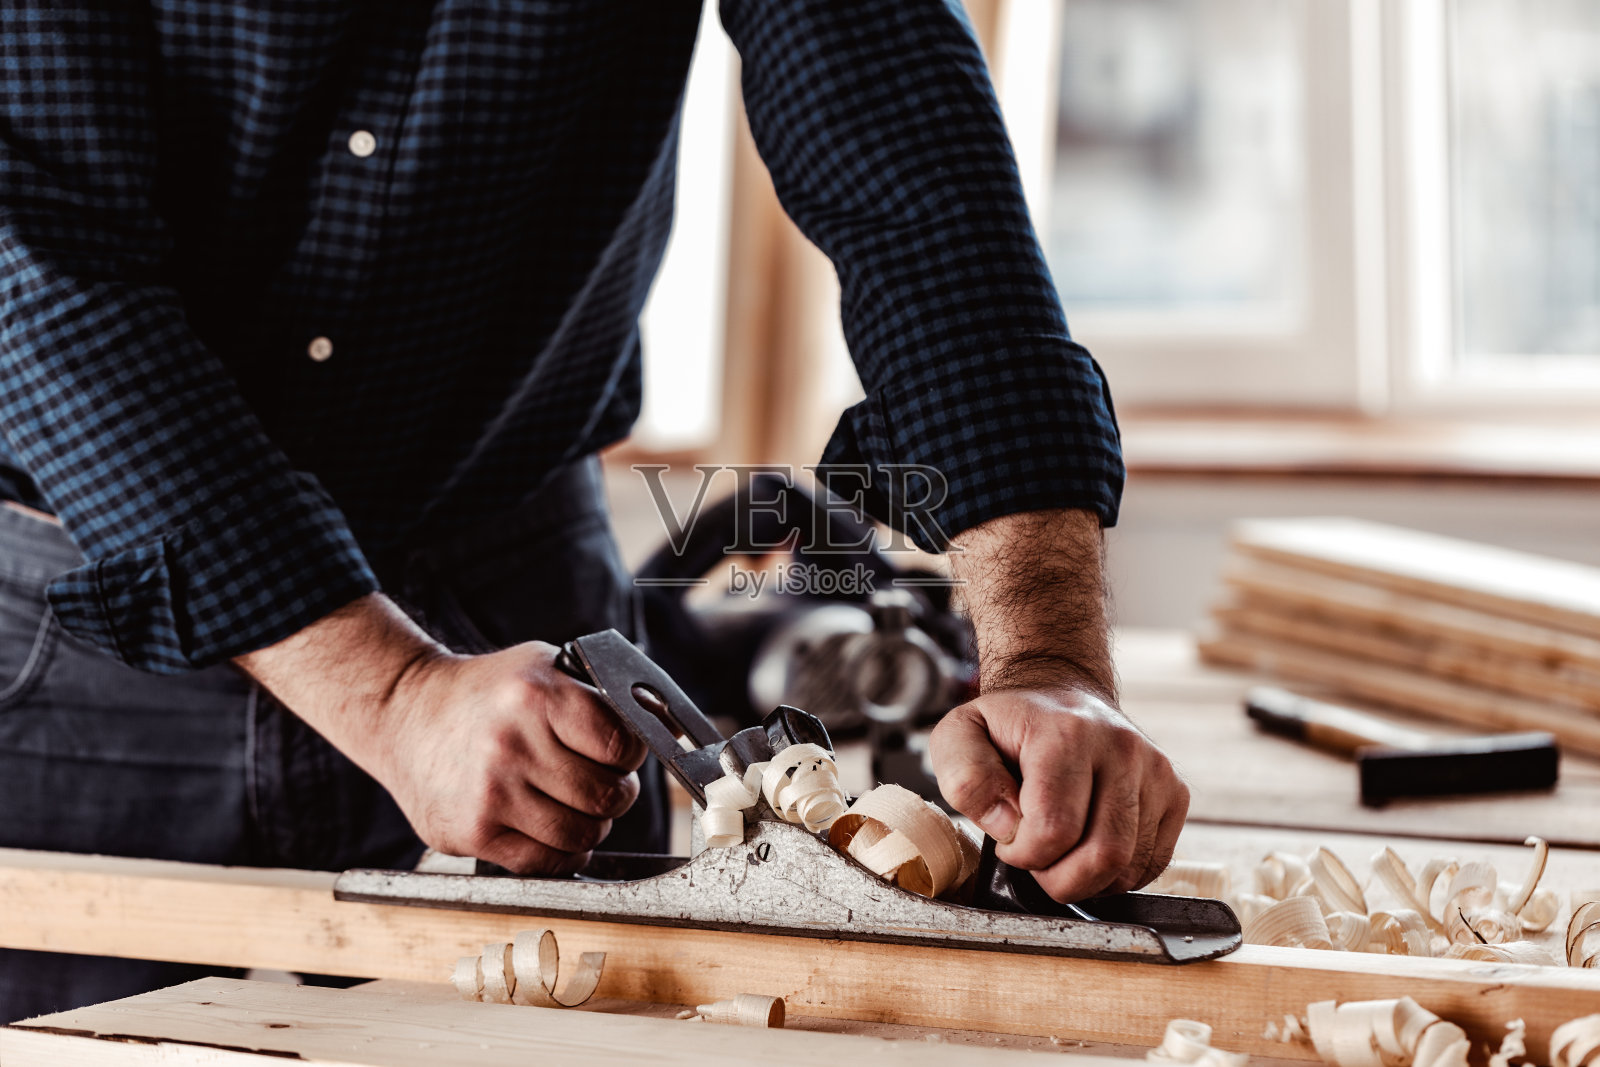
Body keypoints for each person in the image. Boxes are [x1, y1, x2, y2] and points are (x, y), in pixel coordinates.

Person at [0, 0, 1188, 1022]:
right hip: (85, 599)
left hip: (503, 566)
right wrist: (392, 692)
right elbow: (42, 287)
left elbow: (913, 175)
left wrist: (1044, 655)